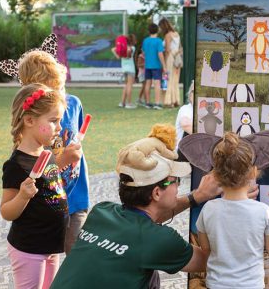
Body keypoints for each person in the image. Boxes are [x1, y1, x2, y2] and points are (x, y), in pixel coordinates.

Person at [51, 124, 248, 289]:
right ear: (156, 193)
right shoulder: (159, 240)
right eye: (175, 180)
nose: (179, 185)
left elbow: (146, 220)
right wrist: (236, 202)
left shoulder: (101, 211)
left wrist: (198, 196)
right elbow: (209, 261)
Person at [179, 131, 269, 289]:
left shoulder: (208, 209)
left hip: (216, 285)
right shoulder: (264, 212)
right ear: (253, 172)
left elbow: (206, 248)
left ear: (215, 173)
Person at [17, 49, 89, 255]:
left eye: (61, 87)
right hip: (47, 202)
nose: (61, 96)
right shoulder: (29, 119)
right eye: (53, 91)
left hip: (76, 197)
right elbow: (30, 165)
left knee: (78, 257)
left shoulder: (74, 104)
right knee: (48, 259)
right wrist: (62, 159)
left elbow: (77, 139)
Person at [0, 83, 68, 289]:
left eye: (60, 121)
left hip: (52, 245)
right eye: (53, 121)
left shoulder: (46, 154)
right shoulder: (16, 165)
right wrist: (22, 196)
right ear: (29, 120)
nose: (59, 127)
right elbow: (6, 211)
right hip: (30, 248)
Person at [159, 18, 182, 108]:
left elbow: (167, 50)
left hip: (170, 58)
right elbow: (180, 48)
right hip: (177, 58)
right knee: (175, 80)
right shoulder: (177, 34)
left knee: (168, 79)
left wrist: (164, 63)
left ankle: (169, 101)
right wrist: (177, 53)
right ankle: (176, 100)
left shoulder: (168, 35)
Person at [142, 23, 166, 110]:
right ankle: (157, 103)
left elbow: (143, 53)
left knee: (147, 83)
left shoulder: (145, 41)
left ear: (149, 31)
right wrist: (164, 65)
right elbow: (160, 54)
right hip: (156, 66)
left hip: (147, 65)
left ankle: (147, 103)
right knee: (157, 84)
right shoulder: (159, 41)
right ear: (157, 31)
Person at [112, 34, 137, 109]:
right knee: (129, 86)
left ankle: (122, 103)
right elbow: (129, 54)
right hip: (131, 69)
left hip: (124, 69)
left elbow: (113, 50)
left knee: (126, 85)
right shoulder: (132, 48)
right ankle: (129, 103)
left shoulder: (122, 49)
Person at [175, 80, 194, 152]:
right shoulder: (185, 109)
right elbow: (186, 125)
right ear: (189, 94)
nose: (194, 93)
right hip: (182, 154)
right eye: (192, 91)